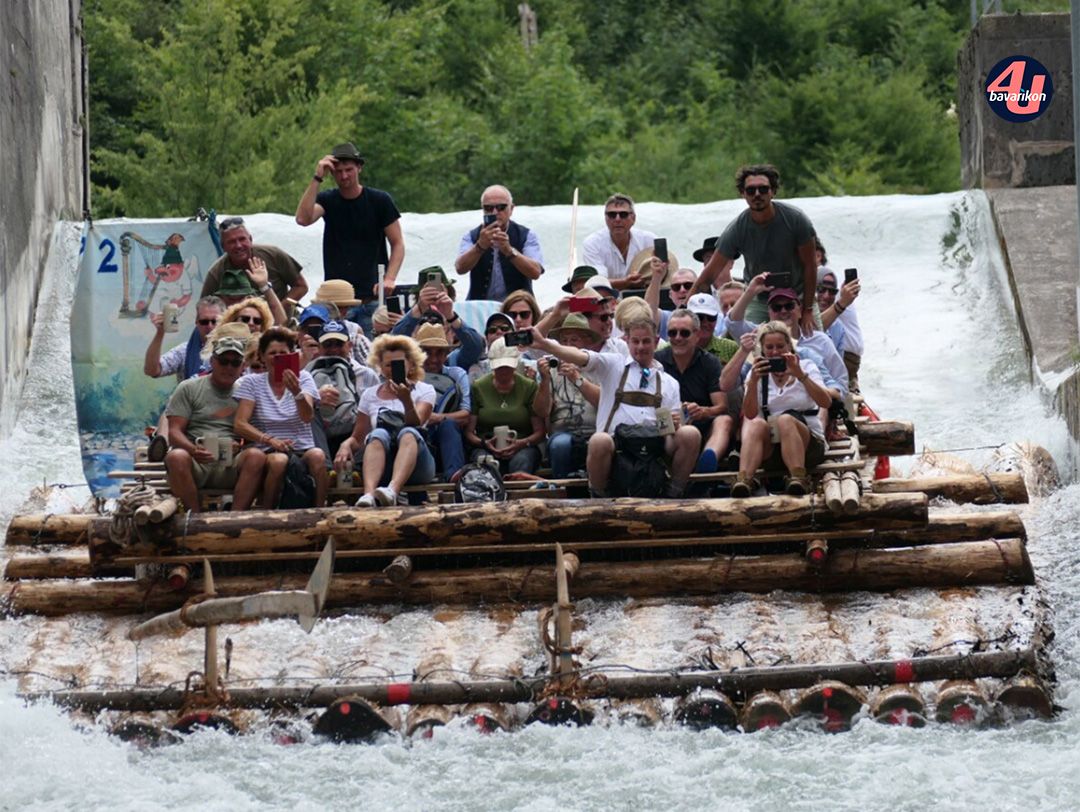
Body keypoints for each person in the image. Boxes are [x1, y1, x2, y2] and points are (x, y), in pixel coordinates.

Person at [529, 319, 700, 498]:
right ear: (627, 341)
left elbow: (668, 431)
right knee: (598, 440)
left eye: (646, 341)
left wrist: (676, 424)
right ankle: (598, 497)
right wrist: (545, 345)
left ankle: (674, 493)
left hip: (652, 449)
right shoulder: (613, 365)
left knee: (690, 433)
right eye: (635, 341)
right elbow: (581, 357)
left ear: (656, 342)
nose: (640, 347)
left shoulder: (669, 383)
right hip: (617, 447)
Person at [295, 142, 404, 336]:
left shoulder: (379, 200)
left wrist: (390, 278)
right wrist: (317, 177)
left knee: (372, 353)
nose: (344, 176)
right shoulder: (328, 200)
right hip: (337, 302)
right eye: (338, 171)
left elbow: (397, 243)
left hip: (371, 297)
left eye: (349, 170)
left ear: (359, 168)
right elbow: (303, 219)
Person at [692, 164, 818, 332]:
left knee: (816, 339)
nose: (757, 194)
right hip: (760, 299)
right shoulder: (737, 228)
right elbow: (708, 275)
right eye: (751, 190)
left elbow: (810, 265)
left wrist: (808, 309)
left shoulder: (796, 220)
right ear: (743, 194)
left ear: (773, 191)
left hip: (798, 293)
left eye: (763, 189)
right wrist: (682, 311)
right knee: (745, 340)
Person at [729, 321, 832, 497]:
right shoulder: (757, 373)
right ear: (762, 349)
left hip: (808, 445)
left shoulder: (806, 366)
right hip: (773, 447)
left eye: (780, 346)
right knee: (755, 425)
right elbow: (751, 413)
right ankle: (745, 479)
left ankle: (798, 477)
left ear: (789, 347)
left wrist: (800, 375)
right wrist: (753, 382)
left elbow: (825, 402)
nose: (775, 352)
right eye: (769, 347)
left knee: (786, 420)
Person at [163, 335, 266, 512]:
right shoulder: (189, 388)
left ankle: (234, 519)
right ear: (212, 361)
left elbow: (255, 433)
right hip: (195, 460)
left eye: (235, 363)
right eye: (223, 361)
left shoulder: (247, 393)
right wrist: (193, 450)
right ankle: (194, 519)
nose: (229, 367)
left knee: (256, 456)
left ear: (243, 367)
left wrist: (240, 445)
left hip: (231, 462)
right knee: (176, 457)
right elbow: (174, 432)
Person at [334, 334, 437, 507]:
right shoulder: (370, 394)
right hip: (383, 463)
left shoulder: (425, 390)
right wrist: (345, 445)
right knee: (379, 433)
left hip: (417, 463)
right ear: (380, 367)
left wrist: (406, 401)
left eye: (398, 364)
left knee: (408, 432)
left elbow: (416, 423)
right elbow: (358, 437)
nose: (392, 369)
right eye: (388, 365)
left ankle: (392, 491)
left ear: (411, 364)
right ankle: (368, 495)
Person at [233, 327, 328, 508]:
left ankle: (319, 511)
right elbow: (240, 424)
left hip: (300, 448)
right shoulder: (251, 382)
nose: (277, 358)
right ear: (262, 356)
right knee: (279, 460)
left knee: (318, 455)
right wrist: (270, 440)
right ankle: (269, 513)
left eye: (282, 353)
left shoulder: (304, 378)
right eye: (272, 353)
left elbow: (307, 417)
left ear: (291, 355)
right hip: (266, 449)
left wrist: (297, 393)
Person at [655, 309, 733, 474]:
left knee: (724, 421)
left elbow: (721, 406)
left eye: (684, 333)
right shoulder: (657, 361)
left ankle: (708, 459)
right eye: (672, 333)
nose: (677, 338)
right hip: (667, 427)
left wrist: (703, 411)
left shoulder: (709, 362)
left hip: (702, 425)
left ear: (696, 335)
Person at [464, 338, 545, 475]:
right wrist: (485, 443)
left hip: (522, 446)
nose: (503, 371)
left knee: (521, 462)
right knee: (485, 462)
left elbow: (540, 431)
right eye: (499, 367)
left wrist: (521, 443)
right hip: (487, 446)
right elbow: (469, 432)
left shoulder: (528, 386)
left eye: (507, 366)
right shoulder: (478, 387)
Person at [455, 185, 544, 300]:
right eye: (488, 208)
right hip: (480, 307)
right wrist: (479, 247)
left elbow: (535, 272)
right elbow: (460, 268)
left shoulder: (526, 235)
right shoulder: (472, 236)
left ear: (511, 209)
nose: (495, 212)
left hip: (517, 310)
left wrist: (510, 251)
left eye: (501, 207)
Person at [307, 320, 379, 459]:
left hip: (355, 436)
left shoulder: (366, 374)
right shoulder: (307, 374)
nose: (333, 349)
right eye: (328, 344)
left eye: (339, 344)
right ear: (319, 347)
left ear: (349, 345)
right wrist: (315, 399)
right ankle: (326, 468)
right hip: (320, 437)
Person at [201, 217, 308, 308]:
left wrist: (280, 309)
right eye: (231, 242)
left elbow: (301, 287)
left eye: (242, 239)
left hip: (281, 325)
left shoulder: (273, 255)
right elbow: (205, 306)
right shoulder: (216, 272)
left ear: (250, 239)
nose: (238, 245)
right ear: (223, 247)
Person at [544, 314, 602, 479]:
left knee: (602, 443)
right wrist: (544, 381)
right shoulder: (552, 368)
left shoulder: (600, 366)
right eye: (564, 341)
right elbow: (542, 411)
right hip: (563, 432)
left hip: (596, 431)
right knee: (560, 445)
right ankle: (562, 492)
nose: (568, 345)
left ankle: (599, 492)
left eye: (574, 340)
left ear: (587, 342)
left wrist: (577, 378)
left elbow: (603, 401)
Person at [414, 322, 471, 480]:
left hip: (446, 441)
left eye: (439, 353)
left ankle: (454, 476)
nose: (433, 359)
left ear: (446, 355)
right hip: (417, 440)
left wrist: (437, 418)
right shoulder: (408, 376)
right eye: (427, 352)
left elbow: (465, 414)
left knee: (448, 424)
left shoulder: (457, 375)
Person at [581, 194, 656, 291]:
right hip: (606, 299)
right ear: (606, 219)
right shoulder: (592, 243)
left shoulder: (649, 240)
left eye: (623, 215)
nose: (617, 219)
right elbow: (598, 282)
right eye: (612, 215)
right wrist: (625, 282)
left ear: (633, 218)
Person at [144, 295, 223, 383]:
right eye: (204, 322)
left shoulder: (234, 350)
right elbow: (151, 370)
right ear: (196, 322)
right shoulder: (185, 351)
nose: (210, 326)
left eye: (215, 321)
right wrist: (160, 332)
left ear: (224, 322)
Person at [818, 267, 863, 393]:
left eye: (832, 292)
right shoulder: (798, 311)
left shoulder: (838, 327)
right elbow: (813, 330)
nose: (826, 296)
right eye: (821, 290)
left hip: (843, 368)